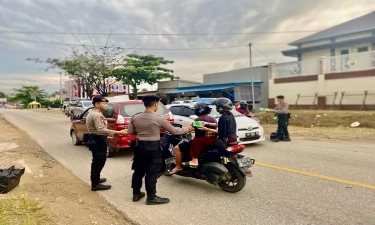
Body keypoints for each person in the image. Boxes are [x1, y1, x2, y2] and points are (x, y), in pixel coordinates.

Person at [127, 95, 194, 205]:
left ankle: (136, 194)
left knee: (138, 171)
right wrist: (188, 128)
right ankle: (151, 197)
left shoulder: (135, 117)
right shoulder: (158, 119)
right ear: (156, 104)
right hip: (153, 148)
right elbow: (175, 131)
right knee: (152, 172)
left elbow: (130, 132)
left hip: (139, 147)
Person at [86, 96, 127, 191]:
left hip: (96, 138)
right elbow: (101, 129)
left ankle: (96, 179)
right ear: (97, 104)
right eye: (104, 103)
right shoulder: (96, 115)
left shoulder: (96, 113)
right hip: (98, 139)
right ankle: (95, 184)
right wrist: (118, 132)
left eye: (106, 103)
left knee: (98, 160)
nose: (106, 105)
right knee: (98, 161)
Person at [169, 103, 217, 173]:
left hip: (200, 142)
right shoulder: (213, 119)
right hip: (212, 141)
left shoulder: (199, 120)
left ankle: (178, 167)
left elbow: (190, 128)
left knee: (176, 148)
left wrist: (178, 131)